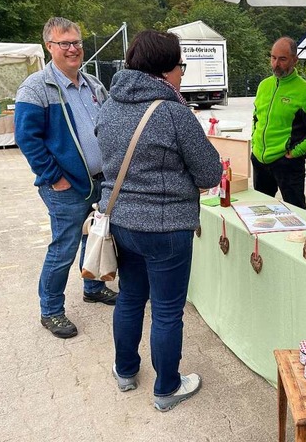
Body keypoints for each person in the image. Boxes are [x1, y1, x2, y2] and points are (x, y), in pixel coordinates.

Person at [95, 30, 221, 412]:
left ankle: (125, 371)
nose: (182, 74)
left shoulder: (110, 105)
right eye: (180, 66)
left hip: (120, 222)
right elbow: (210, 173)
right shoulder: (172, 112)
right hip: (166, 228)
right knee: (167, 310)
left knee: (131, 299)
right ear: (166, 69)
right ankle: (166, 388)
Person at [15, 17, 118, 339]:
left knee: (94, 237)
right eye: (65, 43)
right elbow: (27, 138)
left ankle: (93, 287)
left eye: (77, 42)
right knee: (64, 247)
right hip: (66, 186)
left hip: (99, 180)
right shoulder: (36, 87)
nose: (73, 49)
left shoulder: (93, 84)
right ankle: (51, 310)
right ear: (50, 46)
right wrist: (53, 177)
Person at [251, 37, 306, 209]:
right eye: (273, 57)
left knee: (296, 213)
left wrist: (296, 151)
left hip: (287, 163)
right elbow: (256, 117)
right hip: (260, 161)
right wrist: (255, 144)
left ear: (294, 60)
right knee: (260, 212)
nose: (276, 63)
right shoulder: (264, 85)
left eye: (282, 59)